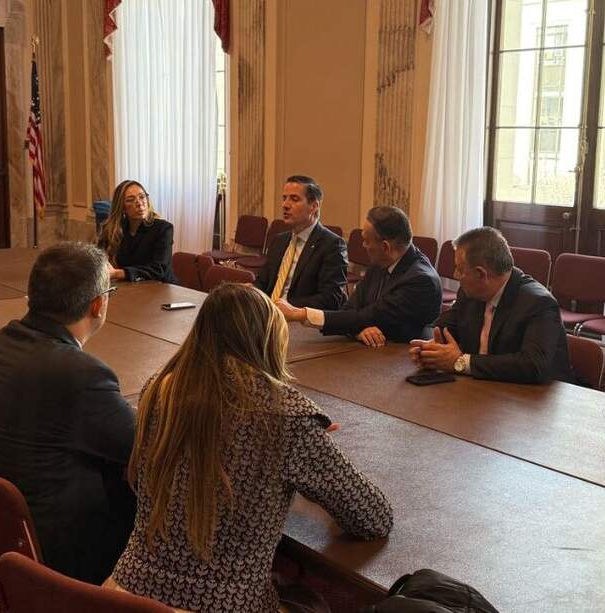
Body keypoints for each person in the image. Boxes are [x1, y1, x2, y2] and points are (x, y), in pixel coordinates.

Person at [107, 283, 393, 613]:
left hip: (127, 594)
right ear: (267, 339)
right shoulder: (287, 416)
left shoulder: (160, 391)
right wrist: (311, 448)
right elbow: (372, 517)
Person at [0, 242, 136, 585]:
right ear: (98, 304)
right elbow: (145, 447)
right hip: (54, 547)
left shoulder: (2, 340)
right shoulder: (81, 374)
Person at [410, 227, 574, 384]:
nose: (455, 275)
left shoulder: (539, 303)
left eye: (460, 269)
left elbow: (533, 365)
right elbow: (445, 326)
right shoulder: (471, 292)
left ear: (481, 274)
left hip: (536, 401)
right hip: (485, 391)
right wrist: (430, 351)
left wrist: (460, 362)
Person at [276, 206, 442, 345]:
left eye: (367, 241)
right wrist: (358, 329)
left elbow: (371, 316)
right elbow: (351, 309)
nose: (363, 245)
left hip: (401, 361)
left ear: (385, 246)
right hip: (371, 352)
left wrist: (300, 313)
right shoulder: (381, 261)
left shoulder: (421, 281)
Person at [254, 175, 348, 310]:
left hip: (301, 320)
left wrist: (289, 307)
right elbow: (262, 283)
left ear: (313, 206)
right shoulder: (279, 240)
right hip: (270, 313)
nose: (285, 205)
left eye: (294, 199)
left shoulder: (332, 245)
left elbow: (331, 298)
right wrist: (251, 292)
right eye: (284, 198)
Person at [99, 180, 177, 283]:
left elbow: (159, 269)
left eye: (142, 197)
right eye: (130, 200)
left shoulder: (163, 229)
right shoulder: (115, 229)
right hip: (130, 287)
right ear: (122, 207)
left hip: (161, 288)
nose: (139, 203)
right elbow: (100, 259)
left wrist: (118, 273)